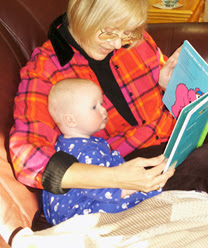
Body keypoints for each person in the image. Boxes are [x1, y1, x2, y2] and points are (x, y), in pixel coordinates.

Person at [9, 0, 208, 199]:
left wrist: (163, 85)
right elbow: (26, 156)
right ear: (84, 12)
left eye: (127, 34)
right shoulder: (46, 70)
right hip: (130, 164)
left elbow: (153, 78)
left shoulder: (133, 40)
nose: (118, 44)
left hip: (177, 134)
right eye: (109, 32)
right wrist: (116, 177)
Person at [43, 78, 162, 224]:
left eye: (101, 103)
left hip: (81, 204)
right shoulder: (85, 151)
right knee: (141, 195)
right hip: (77, 213)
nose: (103, 110)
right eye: (94, 107)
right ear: (70, 120)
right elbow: (96, 188)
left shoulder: (72, 143)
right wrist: (129, 189)